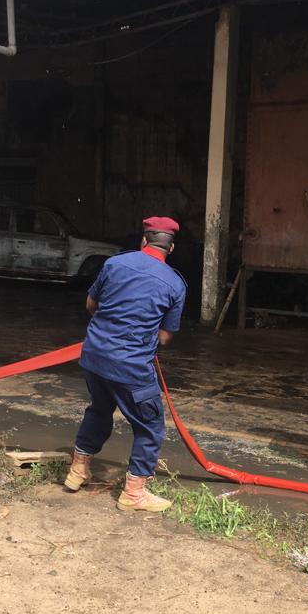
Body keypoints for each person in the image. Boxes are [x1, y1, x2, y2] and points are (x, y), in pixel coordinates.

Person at [64, 216, 186, 512]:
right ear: (171, 248)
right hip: (131, 367)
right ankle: (134, 493)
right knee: (150, 426)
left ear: (143, 240)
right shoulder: (175, 283)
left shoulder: (114, 264)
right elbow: (165, 337)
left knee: (100, 409)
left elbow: (91, 306)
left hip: (93, 357)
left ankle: (77, 471)